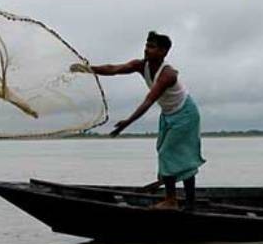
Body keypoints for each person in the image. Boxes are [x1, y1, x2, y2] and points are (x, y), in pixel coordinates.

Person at [70, 31, 205, 210]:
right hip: (169, 113)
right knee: (168, 152)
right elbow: (113, 69)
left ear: (164, 52)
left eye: (152, 47)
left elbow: (149, 100)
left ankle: (174, 201)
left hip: (186, 114)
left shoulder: (168, 74)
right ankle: (180, 201)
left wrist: (127, 122)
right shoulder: (141, 66)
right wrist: (88, 69)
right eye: (146, 45)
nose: (147, 50)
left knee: (173, 154)